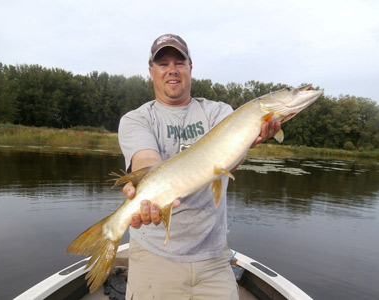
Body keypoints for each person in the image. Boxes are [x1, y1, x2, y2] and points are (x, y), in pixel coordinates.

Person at [118, 34, 281, 300]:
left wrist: (252, 137)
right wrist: (150, 195)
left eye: (179, 62)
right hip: (154, 258)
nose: (172, 69)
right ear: (151, 71)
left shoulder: (218, 113)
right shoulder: (137, 119)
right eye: (163, 63)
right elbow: (146, 161)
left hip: (213, 259)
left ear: (190, 68)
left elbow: (230, 159)